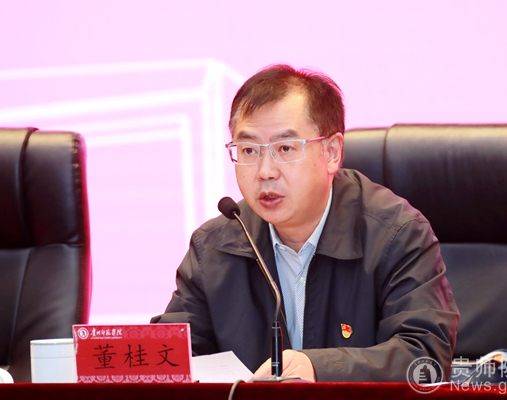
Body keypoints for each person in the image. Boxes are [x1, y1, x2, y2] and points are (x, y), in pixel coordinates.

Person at [152, 64, 459, 382]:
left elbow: (425, 357)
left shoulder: (396, 235)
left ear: (332, 152)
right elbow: (170, 359)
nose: (265, 171)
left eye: (285, 149)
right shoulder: (214, 247)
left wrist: (319, 369)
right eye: (249, 150)